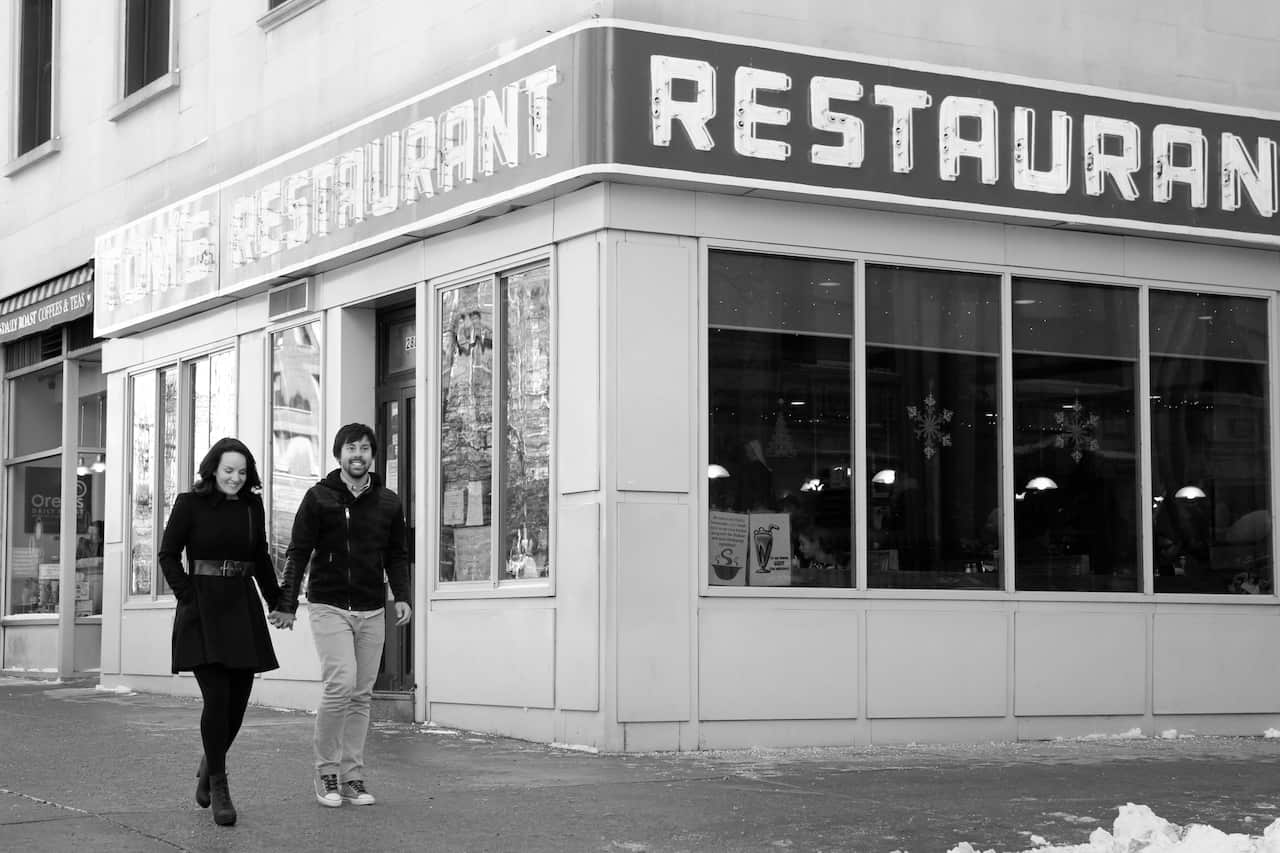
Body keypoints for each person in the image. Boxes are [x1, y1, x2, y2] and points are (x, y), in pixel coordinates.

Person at [268, 422, 412, 808]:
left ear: (372, 455)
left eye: (364, 448)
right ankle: (326, 771)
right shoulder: (319, 498)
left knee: (361, 693)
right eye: (351, 448)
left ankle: (352, 776)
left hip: (371, 608)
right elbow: (298, 551)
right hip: (329, 605)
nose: (358, 455)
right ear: (339, 455)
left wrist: (402, 596)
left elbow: (397, 554)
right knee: (341, 685)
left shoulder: (387, 502)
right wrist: (287, 602)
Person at [158, 437, 281, 827]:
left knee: (238, 703)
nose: (235, 478)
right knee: (217, 698)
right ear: (213, 469)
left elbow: (260, 557)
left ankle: (209, 762)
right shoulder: (189, 503)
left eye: (242, 472)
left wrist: (278, 601)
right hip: (202, 609)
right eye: (229, 470)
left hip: (242, 606)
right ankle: (219, 784)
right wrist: (187, 594)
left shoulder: (252, 506)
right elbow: (167, 553)